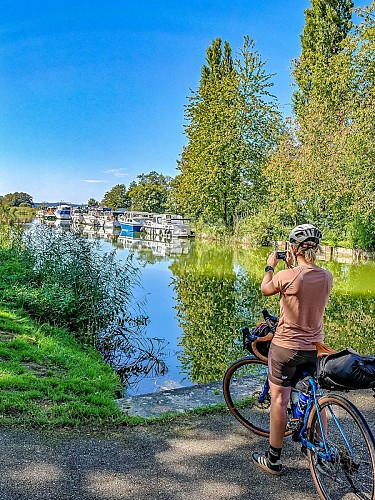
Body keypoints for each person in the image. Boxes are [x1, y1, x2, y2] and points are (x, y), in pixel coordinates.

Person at [252, 224, 333, 475]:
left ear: (293, 248)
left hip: (286, 347)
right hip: (315, 349)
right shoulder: (326, 276)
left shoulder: (286, 276)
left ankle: (274, 459)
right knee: (317, 398)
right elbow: (302, 287)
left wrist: (270, 266)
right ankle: (319, 450)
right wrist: (292, 266)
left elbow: (266, 289)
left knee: (279, 398)